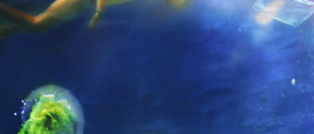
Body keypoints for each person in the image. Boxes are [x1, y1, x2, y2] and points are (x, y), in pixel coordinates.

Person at [0, 0, 192, 38]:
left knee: (40, 22)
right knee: (36, 26)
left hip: (83, 5)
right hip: (80, 2)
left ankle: (4, 31)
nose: (184, 4)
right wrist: (98, 14)